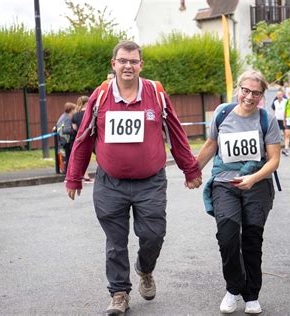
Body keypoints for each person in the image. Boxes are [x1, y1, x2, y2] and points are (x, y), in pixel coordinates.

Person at [65, 40, 202, 315]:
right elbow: (84, 137)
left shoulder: (156, 93)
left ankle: (145, 268)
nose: (128, 65)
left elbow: (175, 132)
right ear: (113, 64)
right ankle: (119, 293)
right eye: (123, 60)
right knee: (115, 242)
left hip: (150, 182)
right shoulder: (101, 95)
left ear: (141, 65)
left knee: (153, 235)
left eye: (133, 61)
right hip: (110, 183)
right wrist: (74, 177)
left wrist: (191, 169)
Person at [196, 70, 281, 314]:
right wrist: (194, 172)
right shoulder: (222, 113)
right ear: (238, 89)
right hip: (225, 184)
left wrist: (253, 178)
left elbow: (274, 159)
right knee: (228, 237)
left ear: (262, 95)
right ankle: (233, 289)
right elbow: (211, 145)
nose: (249, 96)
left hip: (257, 184)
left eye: (256, 93)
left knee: (252, 240)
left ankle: (252, 295)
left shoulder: (267, 119)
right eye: (246, 90)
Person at [71, 95, 91, 182]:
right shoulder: (91, 112)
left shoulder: (75, 115)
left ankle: (85, 174)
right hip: (92, 136)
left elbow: (74, 128)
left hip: (81, 138)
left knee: (83, 157)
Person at [55, 102, 76, 173]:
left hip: (61, 139)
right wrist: (74, 130)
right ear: (71, 110)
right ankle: (67, 172)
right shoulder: (67, 118)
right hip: (65, 140)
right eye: (75, 109)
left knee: (66, 156)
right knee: (68, 156)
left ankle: (66, 171)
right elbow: (66, 130)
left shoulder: (63, 116)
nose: (75, 111)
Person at [272, 88, 288, 155]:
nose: (279, 96)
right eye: (278, 95)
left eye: (281, 94)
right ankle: (278, 146)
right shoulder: (275, 102)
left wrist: (285, 119)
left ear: (283, 95)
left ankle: (285, 146)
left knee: (285, 132)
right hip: (277, 119)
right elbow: (274, 110)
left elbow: (286, 110)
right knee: (277, 133)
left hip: (284, 119)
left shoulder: (286, 101)